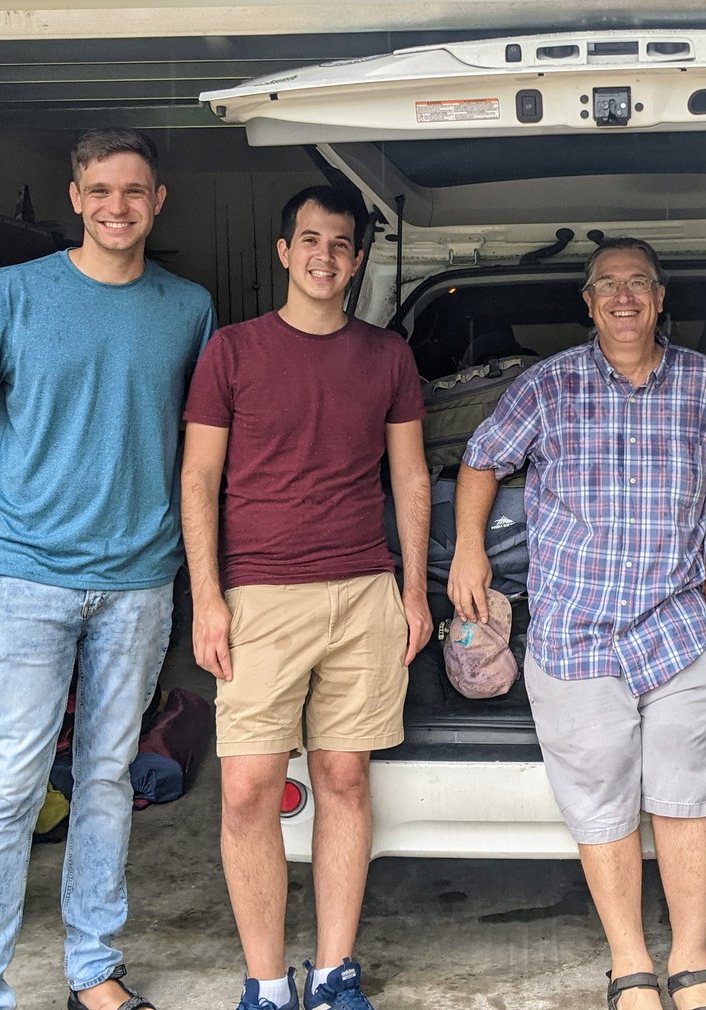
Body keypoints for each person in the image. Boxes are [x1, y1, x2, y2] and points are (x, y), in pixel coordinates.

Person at [0, 128, 216, 1010]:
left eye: (134, 190)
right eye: (100, 190)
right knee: (12, 782)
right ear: (76, 198)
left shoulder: (188, 306)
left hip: (138, 581)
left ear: (158, 200)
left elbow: (206, 451)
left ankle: (94, 966)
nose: (117, 206)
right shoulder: (14, 295)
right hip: (29, 582)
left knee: (106, 778)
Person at [448, 237, 706, 1010]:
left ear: (659, 299)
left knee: (689, 795)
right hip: (575, 631)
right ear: (587, 304)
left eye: (639, 285)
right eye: (607, 286)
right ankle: (629, 965)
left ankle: (690, 962)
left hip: (678, 626)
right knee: (601, 799)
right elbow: (481, 462)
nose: (624, 298)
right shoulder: (546, 387)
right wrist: (467, 555)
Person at [180, 185, 432, 1010]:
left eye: (341, 245)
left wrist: (413, 589)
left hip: (363, 590)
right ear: (284, 251)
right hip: (258, 596)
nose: (325, 256)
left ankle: (333, 973)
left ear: (357, 262)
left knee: (344, 778)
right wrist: (207, 599)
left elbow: (408, 475)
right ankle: (265, 982)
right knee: (249, 785)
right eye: (310, 240)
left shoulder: (386, 356)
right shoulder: (232, 351)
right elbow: (199, 479)